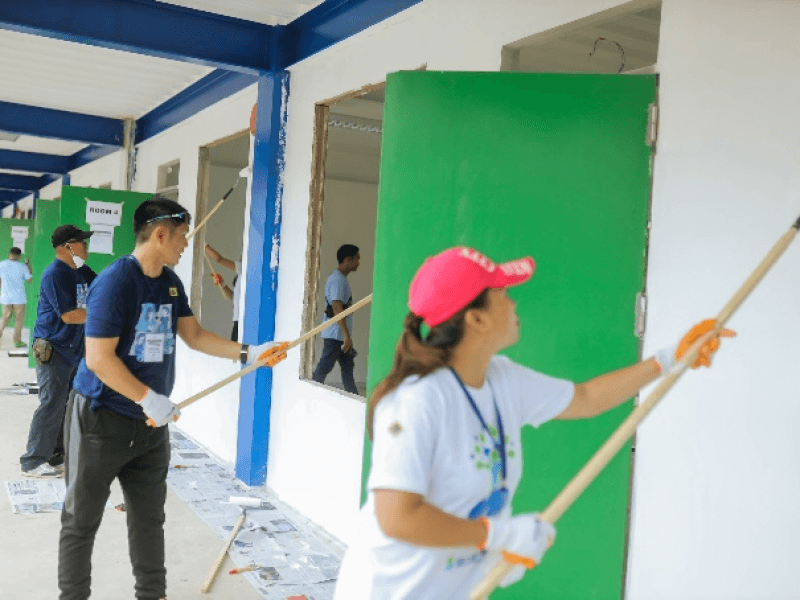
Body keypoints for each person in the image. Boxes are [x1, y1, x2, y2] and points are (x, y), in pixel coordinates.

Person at [333, 246, 735, 599]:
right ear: (476, 320)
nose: (513, 304)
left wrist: (670, 359)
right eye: (503, 295)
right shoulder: (416, 402)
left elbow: (585, 398)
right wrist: (498, 536)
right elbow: (398, 517)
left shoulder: (503, 379)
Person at [58, 196, 288, 600]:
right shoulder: (115, 282)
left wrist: (251, 353)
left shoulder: (170, 282)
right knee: (81, 519)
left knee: (149, 519)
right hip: (100, 419)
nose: (186, 244)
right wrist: (149, 398)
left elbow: (194, 336)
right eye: (183, 236)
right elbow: (98, 359)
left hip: (150, 426)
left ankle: (153, 594)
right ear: (161, 234)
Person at [21, 225, 96, 478]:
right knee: (51, 405)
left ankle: (54, 456)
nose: (86, 247)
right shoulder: (55, 274)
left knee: (66, 405)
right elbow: (69, 315)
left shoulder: (82, 272)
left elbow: (106, 286)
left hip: (73, 349)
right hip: (53, 349)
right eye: (82, 242)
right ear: (67, 247)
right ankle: (32, 461)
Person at [312, 244, 361, 394]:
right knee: (325, 366)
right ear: (348, 259)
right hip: (335, 334)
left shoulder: (340, 279)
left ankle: (353, 397)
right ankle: (312, 392)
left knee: (347, 367)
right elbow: (337, 308)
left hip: (339, 334)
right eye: (357, 259)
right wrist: (346, 336)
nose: (359, 263)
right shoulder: (338, 280)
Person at [205, 244, 240, 340]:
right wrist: (222, 284)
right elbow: (235, 297)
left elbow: (219, 260)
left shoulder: (244, 267)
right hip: (237, 320)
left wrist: (204, 245)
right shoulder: (241, 274)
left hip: (243, 320)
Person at [0, 246, 32, 348]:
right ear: (19, 256)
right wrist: (28, 266)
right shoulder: (22, 266)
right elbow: (29, 280)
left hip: (6, 298)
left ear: (9, 254)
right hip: (19, 299)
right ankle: (17, 341)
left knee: (5, 319)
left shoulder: (1, 264)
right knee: (19, 321)